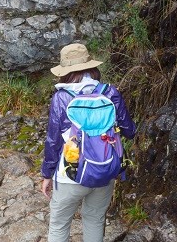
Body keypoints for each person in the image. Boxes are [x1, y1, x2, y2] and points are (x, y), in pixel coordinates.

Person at [40, 43, 137, 242]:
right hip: (105, 170)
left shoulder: (61, 97)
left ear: (65, 71)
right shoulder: (110, 92)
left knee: (59, 225)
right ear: (91, 66)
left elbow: (53, 141)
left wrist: (47, 174)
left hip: (70, 174)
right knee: (94, 219)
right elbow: (130, 131)